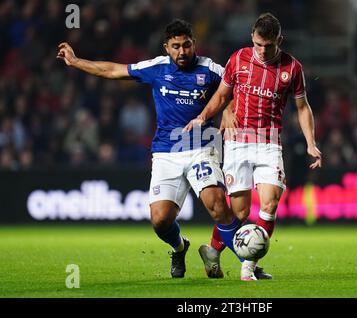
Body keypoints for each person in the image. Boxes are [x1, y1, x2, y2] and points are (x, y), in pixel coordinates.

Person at [57, 19, 242, 279]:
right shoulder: (156, 67)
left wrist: (229, 111)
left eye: (186, 45)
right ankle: (180, 247)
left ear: (194, 44)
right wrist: (76, 62)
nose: (181, 52)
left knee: (218, 206)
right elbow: (113, 70)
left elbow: (233, 88)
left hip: (201, 147)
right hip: (166, 152)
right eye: (175, 46)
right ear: (166, 47)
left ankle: (250, 265)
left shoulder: (210, 69)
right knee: (160, 220)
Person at [184, 13, 322, 281]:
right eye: (258, 44)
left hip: (270, 142)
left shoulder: (292, 68)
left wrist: (311, 143)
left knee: (269, 205)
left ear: (278, 41)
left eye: (268, 46)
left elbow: (302, 108)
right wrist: (204, 116)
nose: (262, 51)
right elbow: (223, 95)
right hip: (237, 142)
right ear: (252, 38)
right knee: (240, 213)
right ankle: (213, 251)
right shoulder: (238, 58)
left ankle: (248, 268)